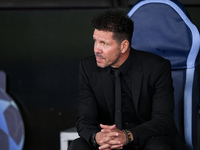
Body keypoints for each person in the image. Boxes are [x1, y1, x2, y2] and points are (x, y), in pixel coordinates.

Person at [68, 10, 186, 150]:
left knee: (158, 147)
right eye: (95, 41)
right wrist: (97, 137)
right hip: (107, 143)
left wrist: (128, 135)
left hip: (145, 140)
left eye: (104, 43)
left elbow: (163, 120)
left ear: (123, 46)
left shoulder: (157, 67)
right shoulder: (88, 67)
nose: (96, 49)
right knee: (78, 145)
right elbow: (85, 118)